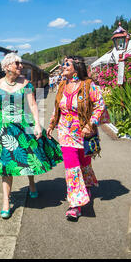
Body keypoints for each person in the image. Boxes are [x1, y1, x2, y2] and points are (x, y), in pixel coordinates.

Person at [0, 52, 63, 219]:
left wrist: (37, 124)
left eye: (20, 64)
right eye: (17, 64)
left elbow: (33, 105)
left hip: (24, 124)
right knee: (6, 165)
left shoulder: (26, 84)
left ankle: (31, 183)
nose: (21, 66)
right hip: (5, 128)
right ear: (7, 67)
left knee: (28, 156)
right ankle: (6, 202)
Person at [47, 56, 107, 221]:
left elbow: (100, 105)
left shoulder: (89, 85)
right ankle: (75, 204)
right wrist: (52, 124)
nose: (63, 67)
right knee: (72, 168)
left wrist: (91, 124)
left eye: (67, 64)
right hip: (65, 132)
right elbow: (57, 108)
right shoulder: (62, 85)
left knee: (84, 163)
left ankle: (87, 186)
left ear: (77, 67)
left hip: (84, 132)